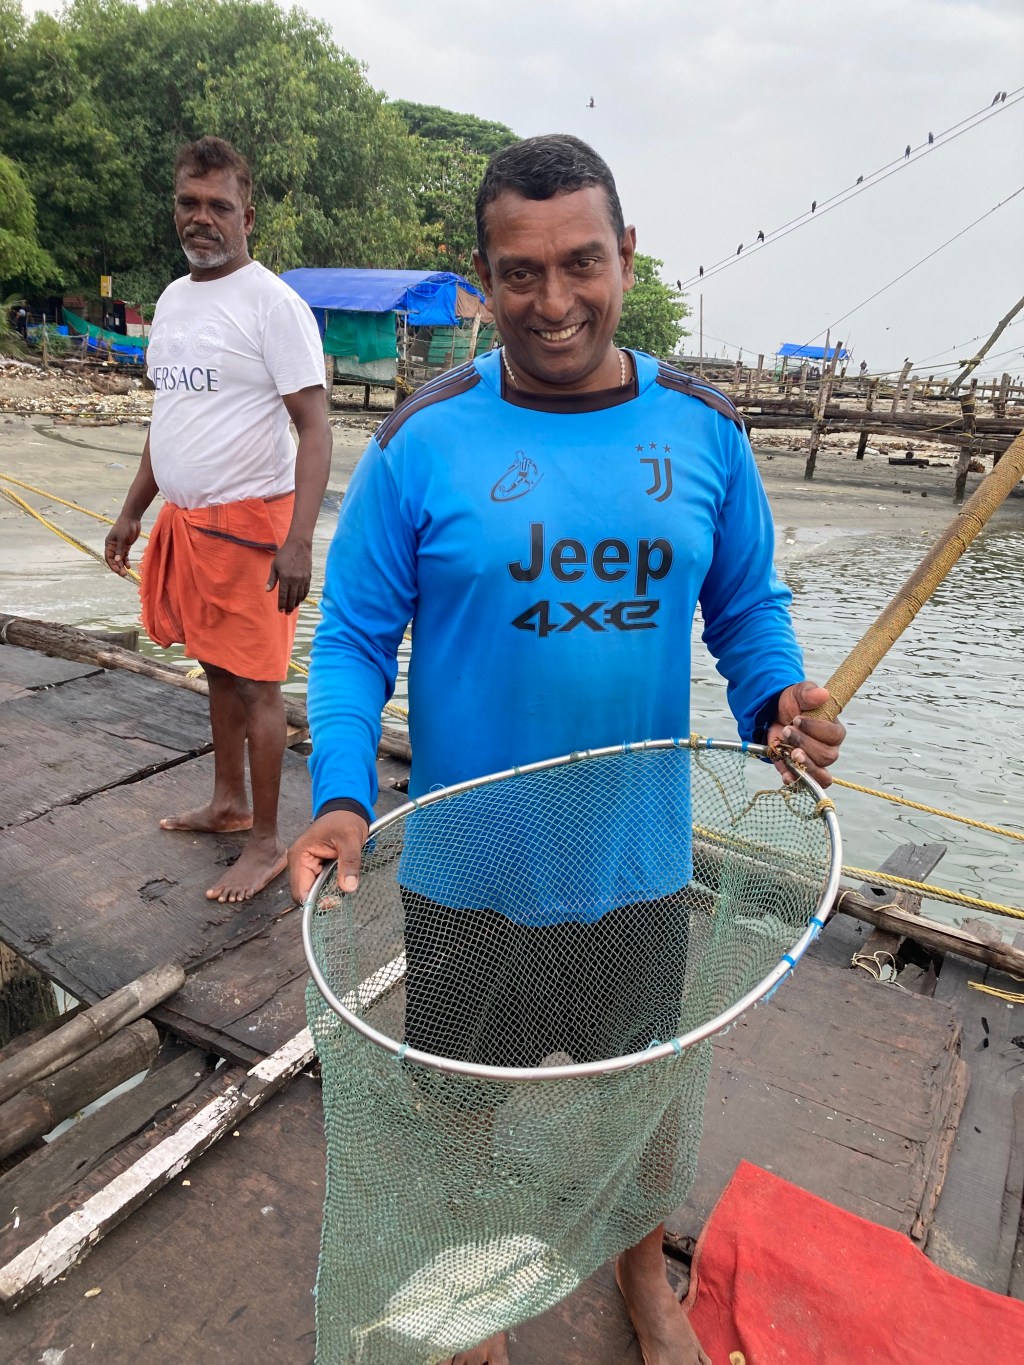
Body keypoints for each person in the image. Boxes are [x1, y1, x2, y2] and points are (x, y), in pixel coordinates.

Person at [289, 134, 846, 1365]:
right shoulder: (425, 439)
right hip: (464, 876)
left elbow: (747, 615)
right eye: (521, 274)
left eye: (581, 264)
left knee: (639, 1105)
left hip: (637, 864)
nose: (554, 302)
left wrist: (776, 708)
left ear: (625, 257)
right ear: (479, 279)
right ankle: (472, 1307)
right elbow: (350, 640)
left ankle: (645, 1288)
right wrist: (335, 796)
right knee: (455, 1112)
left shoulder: (700, 431)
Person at [106, 135, 331, 904]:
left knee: (261, 684)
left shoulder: (274, 304)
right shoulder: (173, 300)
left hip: (253, 530)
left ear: (247, 215)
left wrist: (299, 538)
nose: (201, 219)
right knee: (217, 668)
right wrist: (133, 511)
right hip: (187, 523)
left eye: (218, 207)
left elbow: (316, 426)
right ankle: (228, 802)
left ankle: (267, 839)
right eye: (189, 204)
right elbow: (168, 417)